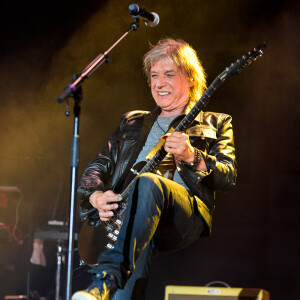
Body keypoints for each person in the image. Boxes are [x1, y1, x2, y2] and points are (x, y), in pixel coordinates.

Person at [72, 38, 237, 300]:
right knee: (135, 235)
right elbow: (95, 170)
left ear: (191, 78)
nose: (159, 83)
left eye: (169, 75)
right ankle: (104, 288)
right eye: (154, 75)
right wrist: (97, 197)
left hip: (182, 215)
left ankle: (107, 276)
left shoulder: (215, 122)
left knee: (148, 182)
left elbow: (228, 176)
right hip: (133, 215)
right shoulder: (133, 121)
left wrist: (192, 156)